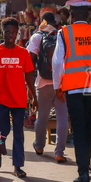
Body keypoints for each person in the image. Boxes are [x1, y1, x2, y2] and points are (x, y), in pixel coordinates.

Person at [52, 0, 91, 182]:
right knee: (87, 125)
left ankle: (83, 172)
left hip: (73, 87)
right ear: (88, 16)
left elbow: (58, 62)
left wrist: (57, 85)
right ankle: (85, 165)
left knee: (78, 127)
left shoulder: (64, 33)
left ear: (73, 16)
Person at [0, 17, 37, 179]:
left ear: (17, 33)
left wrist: (34, 96)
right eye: (7, 32)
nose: (10, 35)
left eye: (14, 32)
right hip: (1, 99)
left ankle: (18, 166)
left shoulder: (23, 53)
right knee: (0, 132)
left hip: (19, 100)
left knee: (19, 133)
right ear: (3, 32)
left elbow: (29, 76)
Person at [27, 12, 68, 164]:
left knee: (42, 117)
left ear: (43, 21)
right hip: (62, 83)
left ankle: (39, 146)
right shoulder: (63, 35)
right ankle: (59, 152)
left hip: (43, 82)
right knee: (62, 118)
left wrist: (30, 84)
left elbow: (30, 60)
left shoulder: (37, 36)